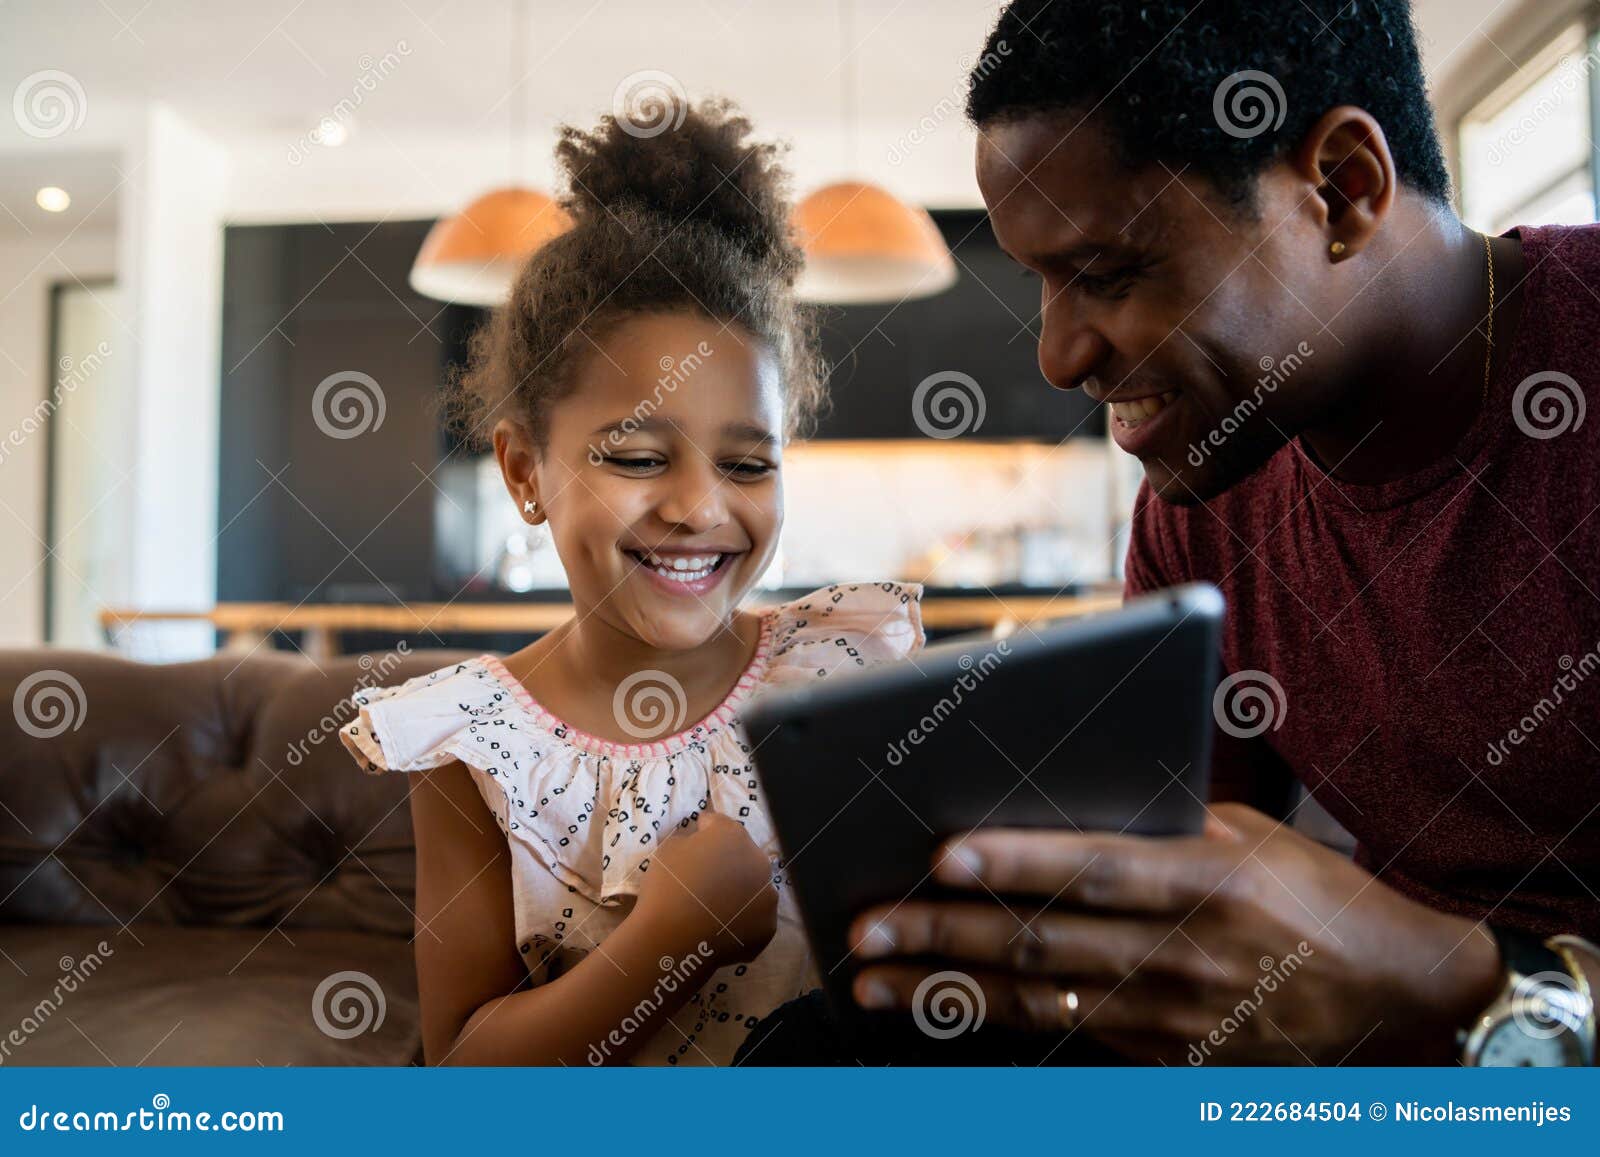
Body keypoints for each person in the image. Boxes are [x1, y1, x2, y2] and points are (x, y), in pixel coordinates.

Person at [841, 0, 1600, 1065]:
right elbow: (1178, 919)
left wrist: (1455, 986)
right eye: (1041, 284)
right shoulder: (1201, 508)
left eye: (1106, 273)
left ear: (1342, 190)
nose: (1057, 357)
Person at [338, 99, 923, 1066]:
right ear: (527, 472)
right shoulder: (474, 741)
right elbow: (463, 1071)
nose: (699, 507)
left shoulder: (839, 672)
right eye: (639, 457)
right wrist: (669, 944)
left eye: (748, 466)